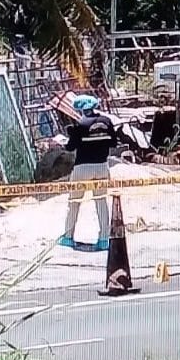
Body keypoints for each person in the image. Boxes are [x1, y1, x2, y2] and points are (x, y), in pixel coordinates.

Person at [58, 94, 117, 251]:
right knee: (101, 202)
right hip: (102, 166)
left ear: (80, 109)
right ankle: (104, 239)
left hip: (82, 167)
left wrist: (68, 138)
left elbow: (70, 147)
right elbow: (113, 142)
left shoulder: (80, 124)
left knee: (74, 202)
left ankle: (68, 236)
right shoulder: (106, 121)